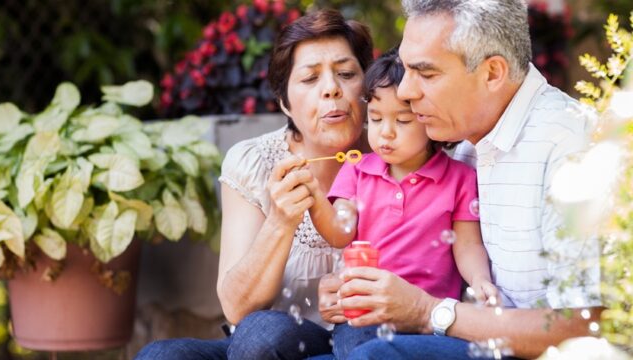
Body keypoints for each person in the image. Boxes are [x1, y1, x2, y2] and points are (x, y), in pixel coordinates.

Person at [317, 1, 602, 359]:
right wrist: (355, 290)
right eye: (406, 70)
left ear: (492, 73)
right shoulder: (463, 140)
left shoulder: (571, 149)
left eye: (427, 73)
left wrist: (424, 311)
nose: (405, 91)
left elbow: (587, 328)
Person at [134, 9, 374, 360]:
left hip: (360, 341)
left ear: (368, 86)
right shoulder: (254, 162)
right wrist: (280, 222)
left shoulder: (396, 156)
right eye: (310, 79)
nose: (331, 90)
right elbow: (236, 308)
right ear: (284, 103)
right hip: (261, 348)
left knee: (264, 334)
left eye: (347, 74)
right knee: (164, 356)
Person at [307, 48, 498, 359]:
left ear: (428, 117)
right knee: (362, 342)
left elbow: (467, 245)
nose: (386, 132)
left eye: (403, 120)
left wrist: (480, 280)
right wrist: (314, 196)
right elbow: (341, 231)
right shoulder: (357, 170)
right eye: (376, 118)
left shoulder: (459, 178)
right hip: (365, 311)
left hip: (425, 318)